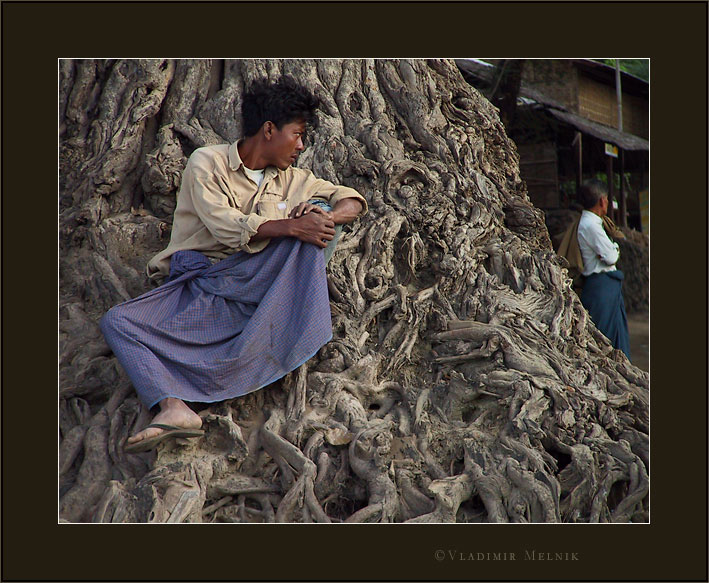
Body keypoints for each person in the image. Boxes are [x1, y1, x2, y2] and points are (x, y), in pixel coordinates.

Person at [100, 77, 367, 453]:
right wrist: (292, 225)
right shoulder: (206, 162)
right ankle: (174, 407)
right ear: (269, 130)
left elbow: (351, 199)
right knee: (118, 322)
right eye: (298, 134)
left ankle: (286, 316)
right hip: (202, 284)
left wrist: (328, 217)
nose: (302, 145)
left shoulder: (294, 179)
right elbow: (224, 225)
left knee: (320, 212)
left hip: (258, 282)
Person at [574, 179, 631, 358]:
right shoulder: (591, 225)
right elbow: (611, 256)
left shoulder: (591, 223)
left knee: (613, 336)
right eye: (606, 199)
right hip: (601, 288)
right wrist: (615, 247)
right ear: (602, 201)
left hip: (604, 287)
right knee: (605, 339)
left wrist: (609, 250)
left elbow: (606, 255)